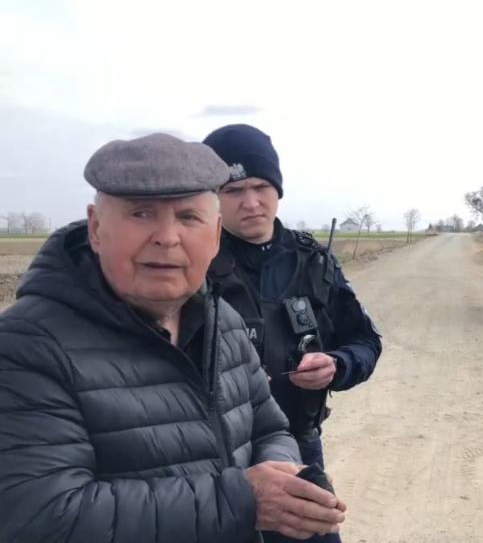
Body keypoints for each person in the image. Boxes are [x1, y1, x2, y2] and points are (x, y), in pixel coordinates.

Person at [0, 133, 346, 542]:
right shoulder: (27, 345)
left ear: (215, 235)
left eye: (188, 217)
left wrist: (285, 480)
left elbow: (270, 429)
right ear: (96, 228)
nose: (167, 237)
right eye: (141, 214)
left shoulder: (224, 321)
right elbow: (41, 515)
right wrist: (243, 501)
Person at [202, 124, 383, 543]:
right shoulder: (193, 263)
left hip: (299, 447)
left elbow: (366, 342)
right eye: (234, 190)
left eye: (261, 187)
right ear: (214, 197)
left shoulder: (315, 261)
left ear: (278, 190)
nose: (251, 202)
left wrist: (337, 365)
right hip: (216, 460)